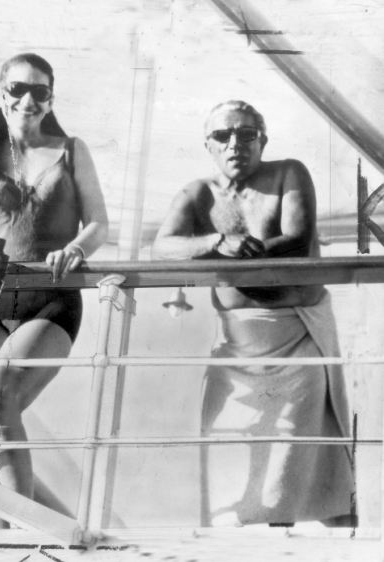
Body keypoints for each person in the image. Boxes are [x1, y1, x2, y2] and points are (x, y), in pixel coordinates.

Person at [151, 100, 356, 527]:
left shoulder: (289, 173)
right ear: (208, 144)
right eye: (222, 135)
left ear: (263, 140)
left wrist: (238, 254)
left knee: (299, 466)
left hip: (297, 341)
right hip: (237, 349)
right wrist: (216, 242)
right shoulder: (196, 194)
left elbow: (297, 237)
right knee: (229, 458)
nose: (235, 143)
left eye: (246, 134)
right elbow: (162, 247)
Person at [0, 53, 108, 502]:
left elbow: (99, 223)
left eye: (40, 91)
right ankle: (1, 532)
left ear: (51, 99)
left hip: (52, 297)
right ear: (1, 95)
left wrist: (75, 249)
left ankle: (24, 531)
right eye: (17, 89)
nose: (28, 100)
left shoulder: (71, 150)